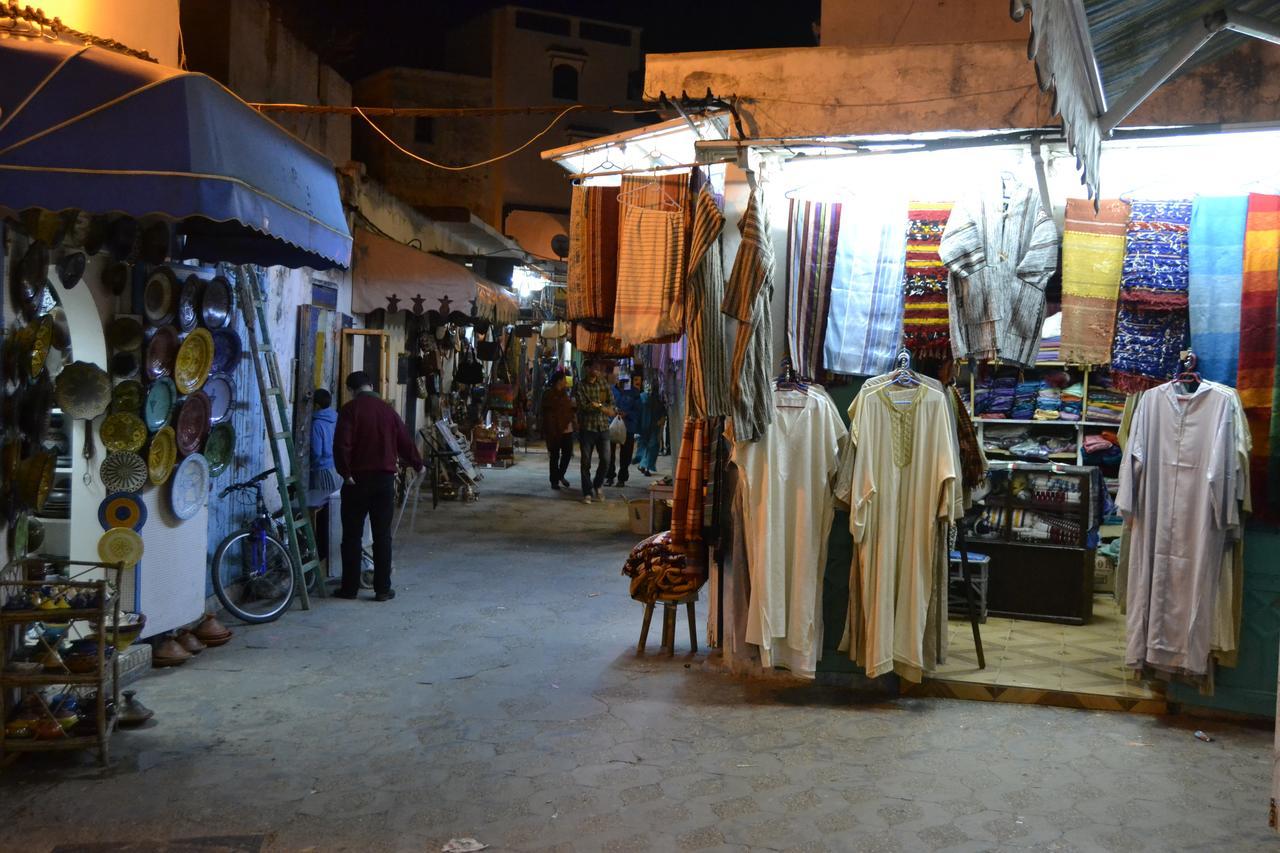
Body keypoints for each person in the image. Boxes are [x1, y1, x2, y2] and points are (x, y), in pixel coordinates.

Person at [333, 371, 423, 601]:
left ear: (351, 390)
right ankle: (382, 589)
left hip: (356, 482)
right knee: (382, 535)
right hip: (383, 481)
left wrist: (345, 473)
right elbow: (404, 440)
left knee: (352, 537)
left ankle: (349, 588)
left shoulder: (349, 410)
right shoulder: (388, 411)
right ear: (371, 385)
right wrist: (418, 464)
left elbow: (342, 444)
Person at [307, 388, 341, 566]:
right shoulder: (336, 418)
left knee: (322, 512)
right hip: (337, 469)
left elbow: (317, 452)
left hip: (323, 470)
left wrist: (311, 464)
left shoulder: (317, 424)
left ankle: (321, 552)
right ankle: (331, 553)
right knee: (334, 511)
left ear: (317, 405)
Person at [573, 359, 614, 504]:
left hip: (603, 427)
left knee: (606, 460)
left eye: (598, 368)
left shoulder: (603, 384)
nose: (596, 370)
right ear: (587, 368)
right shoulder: (580, 386)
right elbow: (583, 406)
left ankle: (598, 484)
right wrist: (600, 408)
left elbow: (612, 404)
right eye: (594, 368)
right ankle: (587, 492)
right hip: (587, 428)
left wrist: (599, 405)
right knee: (586, 462)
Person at [606, 371, 642, 486]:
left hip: (628, 427)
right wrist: (611, 411)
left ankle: (622, 478)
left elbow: (638, 410)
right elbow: (604, 405)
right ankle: (610, 476)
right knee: (608, 453)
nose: (622, 383)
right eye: (620, 380)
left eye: (625, 381)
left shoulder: (635, 393)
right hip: (611, 424)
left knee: (626, 454)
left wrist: (627, 414)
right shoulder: (610, 390)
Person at [541, 372, 575, 490]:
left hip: (567, 429)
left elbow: (567, 410)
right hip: (555, 430)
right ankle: (554, 481)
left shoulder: (565, 394)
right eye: (564, 379)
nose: (566, 382)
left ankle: (560, 475)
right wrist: (551, 430)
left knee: (567, 453)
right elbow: (548, 414)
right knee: (554, 456)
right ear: (559, 381)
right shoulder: (549, 394)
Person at [634, 379, 667, 477]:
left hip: (654, 425)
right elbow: (637, 411)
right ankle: (644, 465)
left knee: (652, 446)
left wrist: (662, 418)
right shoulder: (641, 397)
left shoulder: (659, 398)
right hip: (643, 425)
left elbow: (664, 409)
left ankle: (645, 466)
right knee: (644, 446)